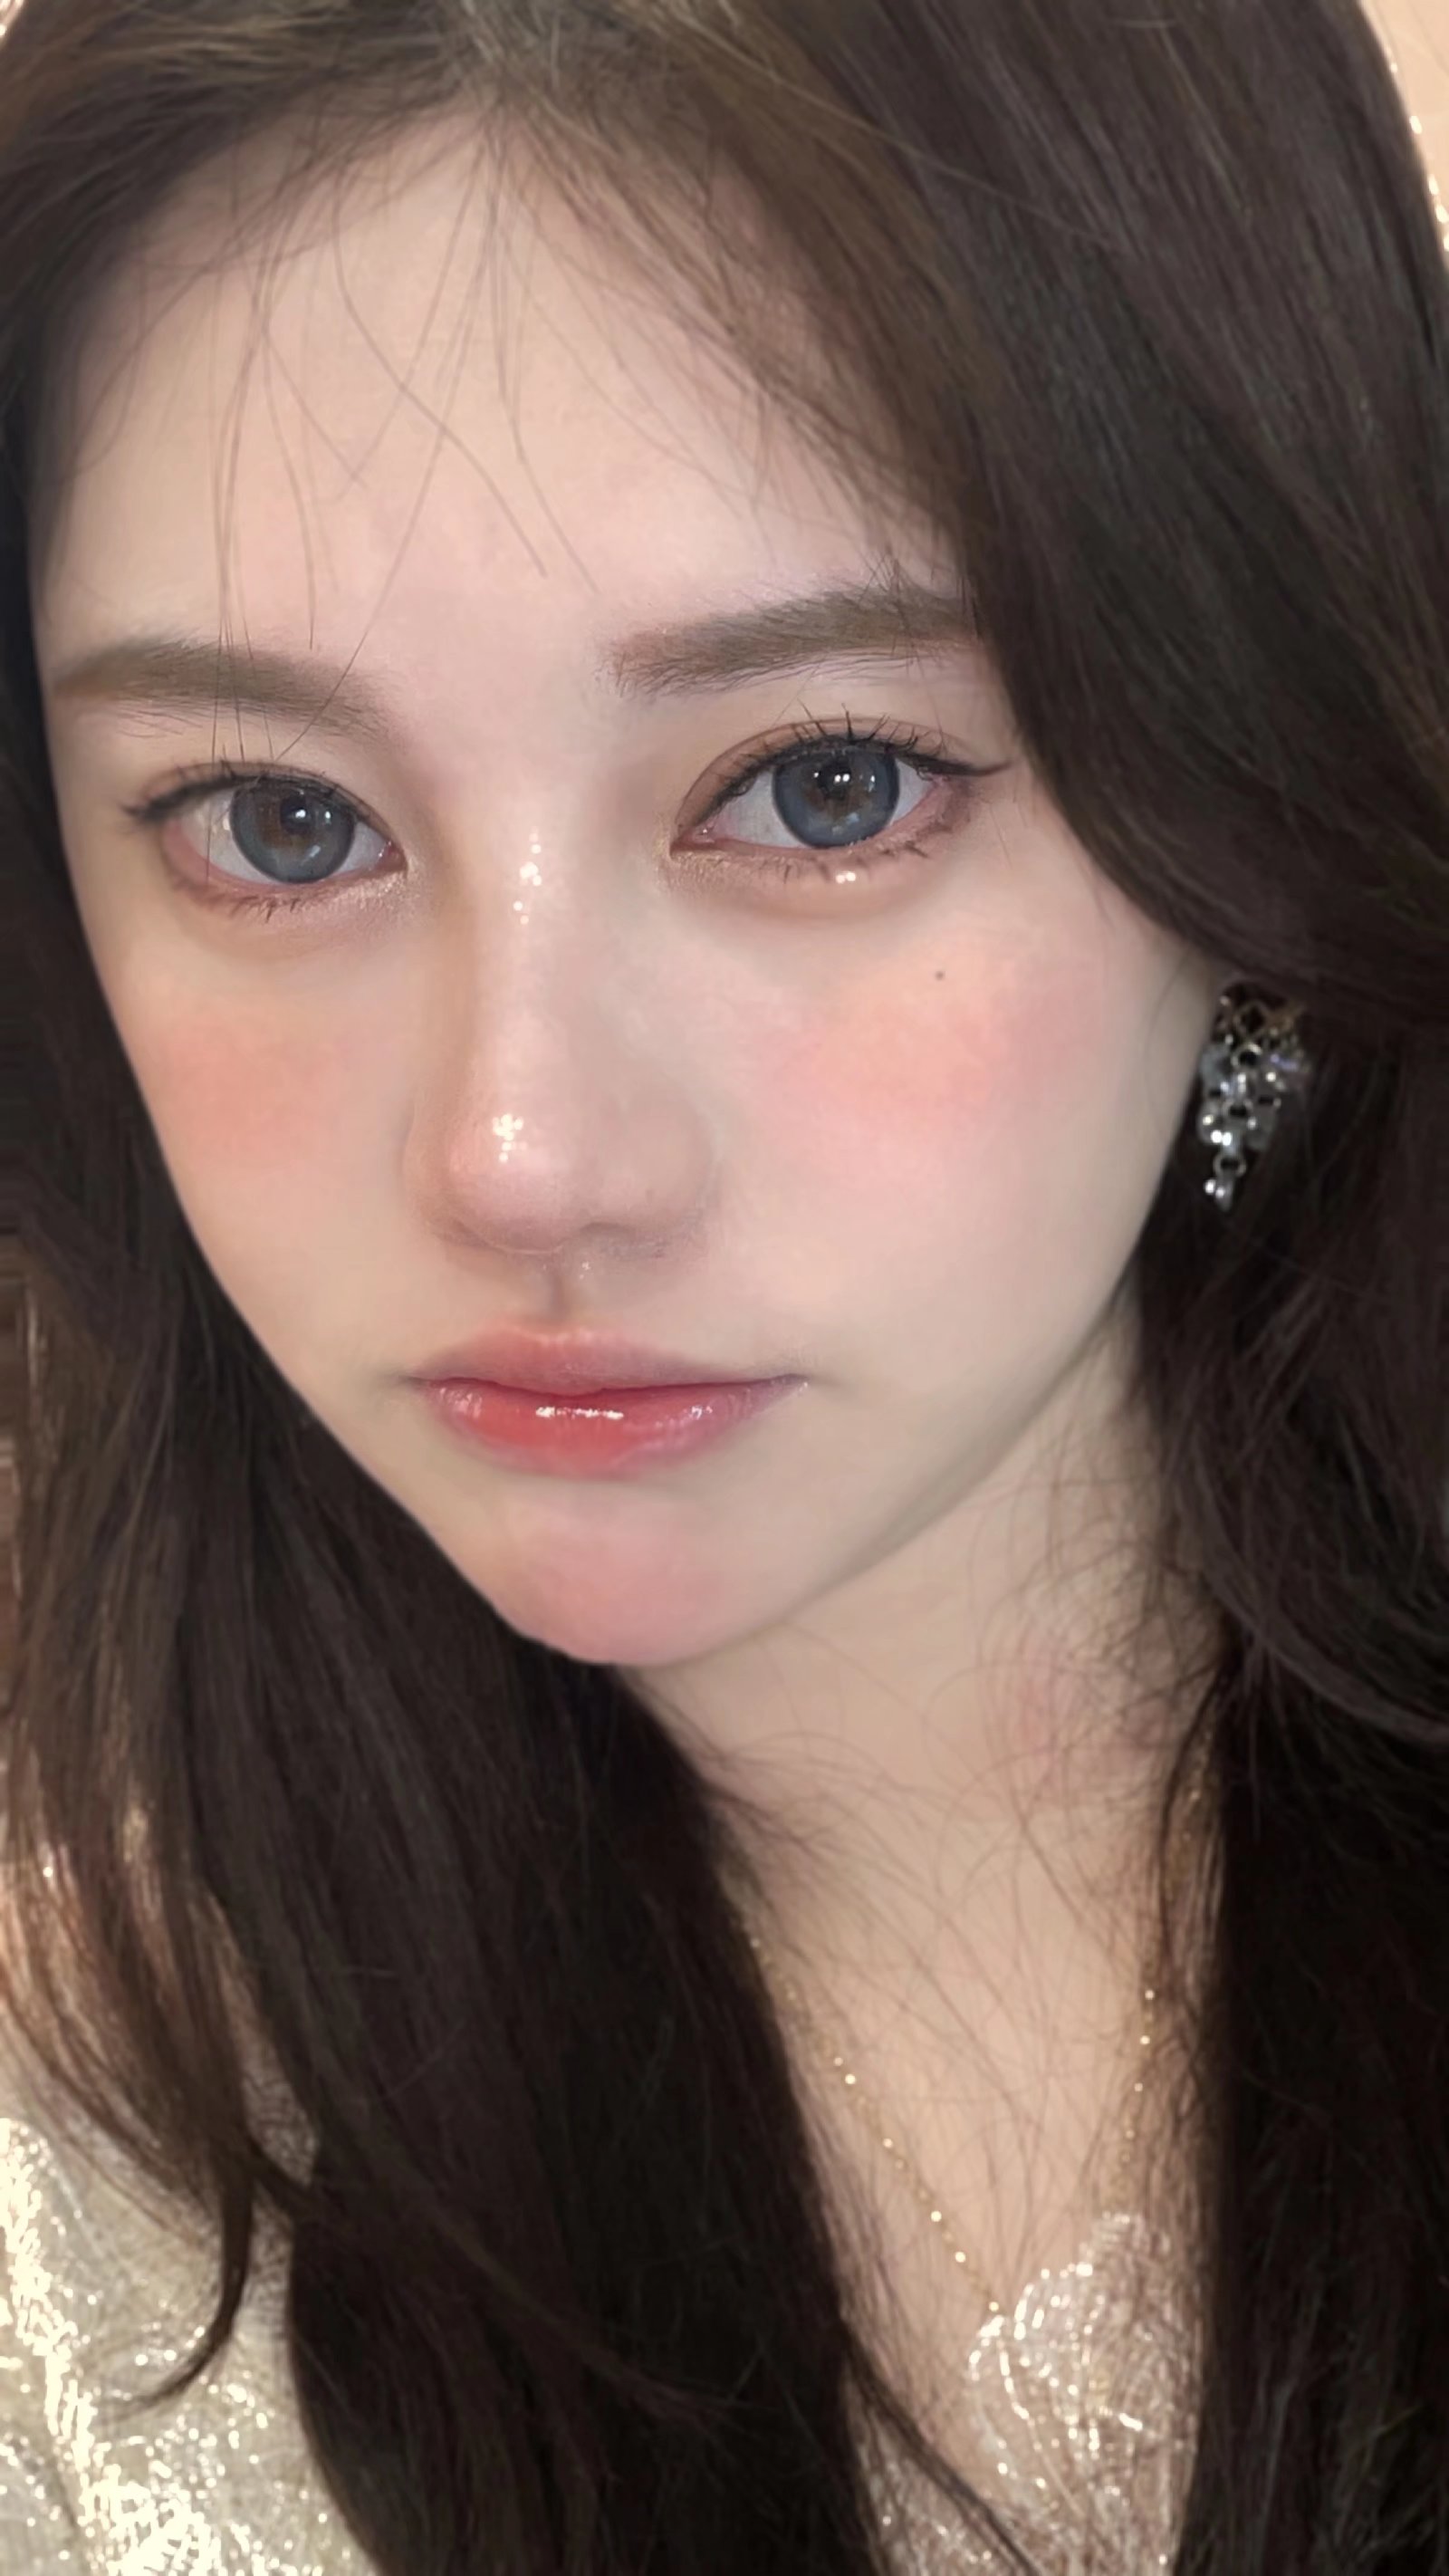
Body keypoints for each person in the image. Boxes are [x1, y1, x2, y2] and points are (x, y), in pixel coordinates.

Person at [0, 0, 1445, 2566]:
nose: (519, 1157)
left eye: (823, 785)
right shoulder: (71, 2182)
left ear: (1252, 807)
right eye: (277, 822)